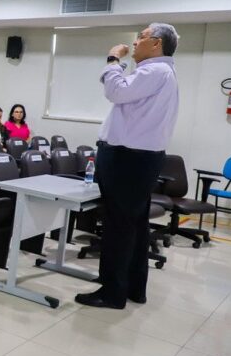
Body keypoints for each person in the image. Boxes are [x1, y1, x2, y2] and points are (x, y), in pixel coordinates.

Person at [75, 23, 180, 310]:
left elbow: (116, 92)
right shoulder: (164, 72)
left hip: (127, 158)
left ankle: (112, 293)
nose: (135, 42)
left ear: (157, 43)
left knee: (118, 226)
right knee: (134, 225)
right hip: (140, 158)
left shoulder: (153, 70)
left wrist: (112, 59)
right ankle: (133, 287)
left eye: (142, 37)